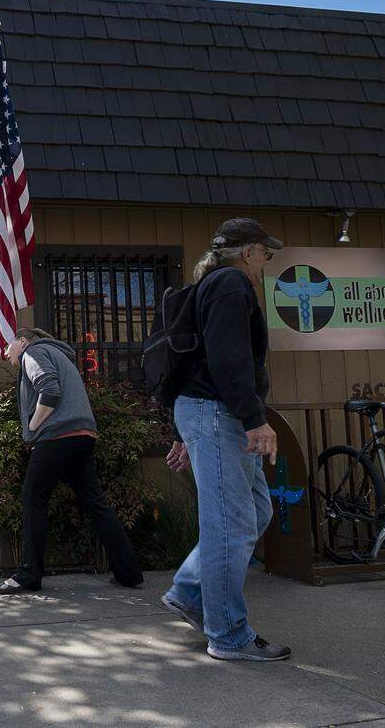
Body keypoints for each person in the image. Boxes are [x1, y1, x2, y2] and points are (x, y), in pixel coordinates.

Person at [161, 217, 289, 662]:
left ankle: (191, 592)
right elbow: (227, 358)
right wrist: (256, 420)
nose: (266, 264)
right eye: (266, 255)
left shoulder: (216, 284)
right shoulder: (232, 283)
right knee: (231, 524)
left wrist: (187, 431)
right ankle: (229, 634)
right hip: (219, 414)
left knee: (253, 511)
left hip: (213, 414)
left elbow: (196, 361)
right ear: (249, 251)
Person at [0, 328, 144, 595]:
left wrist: (33, 425)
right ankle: (129, 572)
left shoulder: (34, 352)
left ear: (24, 341)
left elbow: (49, 391)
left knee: (33, 498)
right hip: (83, 435)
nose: (6, 351)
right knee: (95, 502)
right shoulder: (61, 356)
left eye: (9, 344)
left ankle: (28, 574)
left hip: (57, 436)